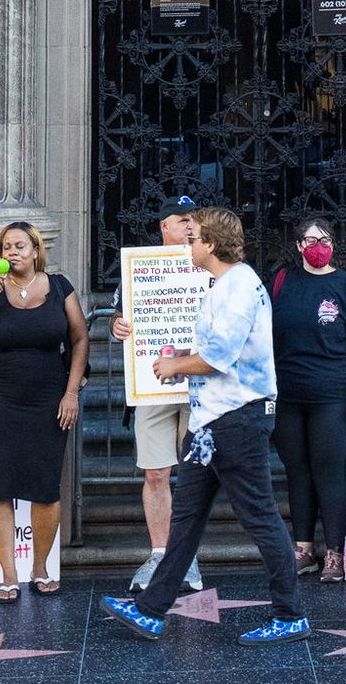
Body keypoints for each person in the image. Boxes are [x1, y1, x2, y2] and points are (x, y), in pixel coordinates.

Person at [101, 207, 311, 644]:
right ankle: (150, 610)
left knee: (260, 516)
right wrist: (183, 362)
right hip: (208, 422)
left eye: (193, 237)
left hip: (237, 419)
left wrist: (175, 364)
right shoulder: (224, 285)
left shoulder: (237, 286)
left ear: (211, 244)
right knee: (187, 519)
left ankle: (290, 614)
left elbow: (219, 357)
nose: (188, 245)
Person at [0, 220, 88, 600]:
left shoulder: (60, 287)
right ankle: (8, 575)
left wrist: (71, 391)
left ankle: (40, 568)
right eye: (5, 247)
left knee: (45, 485)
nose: (11, 253)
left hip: (49, 396)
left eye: (19, 246)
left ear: (35, 250)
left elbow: (78, 339)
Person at [270, 215, 346, 581]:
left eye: (325, 239)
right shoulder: (282, 282)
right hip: (288, 395)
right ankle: (303, 548)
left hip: (333, 394)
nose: (318, 246)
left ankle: (335, 551)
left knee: (329, 472)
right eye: (310, 239)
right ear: (298, 245)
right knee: (297, 472)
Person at [109, 193, 206, 594]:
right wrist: (118, 326)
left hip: (201, 383)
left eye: (193, 220)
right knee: (155, 471)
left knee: (197, 475)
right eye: (181, 220)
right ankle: (160, 552)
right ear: (164, 226)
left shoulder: (210, 266)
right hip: (153, 384)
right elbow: (121, 312)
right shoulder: (139, 267)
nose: (188, 226)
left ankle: (188, 557)